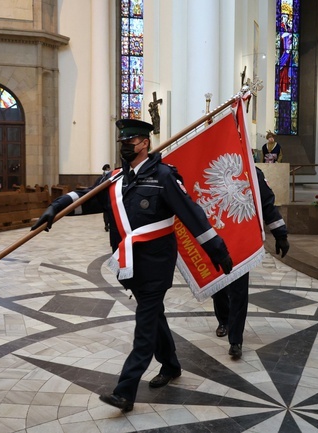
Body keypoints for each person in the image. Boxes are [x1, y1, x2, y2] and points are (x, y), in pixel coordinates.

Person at [32, 119, 233, 412]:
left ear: (144, 144)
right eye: (122, 144)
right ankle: (171, 364)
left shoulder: (164, 177)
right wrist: (55, 208)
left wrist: (218, 250)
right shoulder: (115, 179)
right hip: (130, 265)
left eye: (130, 143)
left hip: (156, 265)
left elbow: (192, 214)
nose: (125, 148)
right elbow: (86, 198)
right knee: (154, 317)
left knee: (145, 325)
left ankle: (125, 390)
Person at [212, 167, 289, 359]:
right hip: (215, 237)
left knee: (238, 289)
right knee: (217, 285)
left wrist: (280, 234)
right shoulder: (211, 163)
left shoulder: (252, 172)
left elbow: (267, 203)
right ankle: (223, 320)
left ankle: (236, 339)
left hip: (241, 240)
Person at [93, 163, 112, 231]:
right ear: (107, 169)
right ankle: (109, 224)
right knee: (110, 211)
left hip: (103, 197)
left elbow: (95, 186)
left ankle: (106, 224)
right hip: (109, 196)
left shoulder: (100, 178)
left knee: (106, 212)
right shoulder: (110, 177)